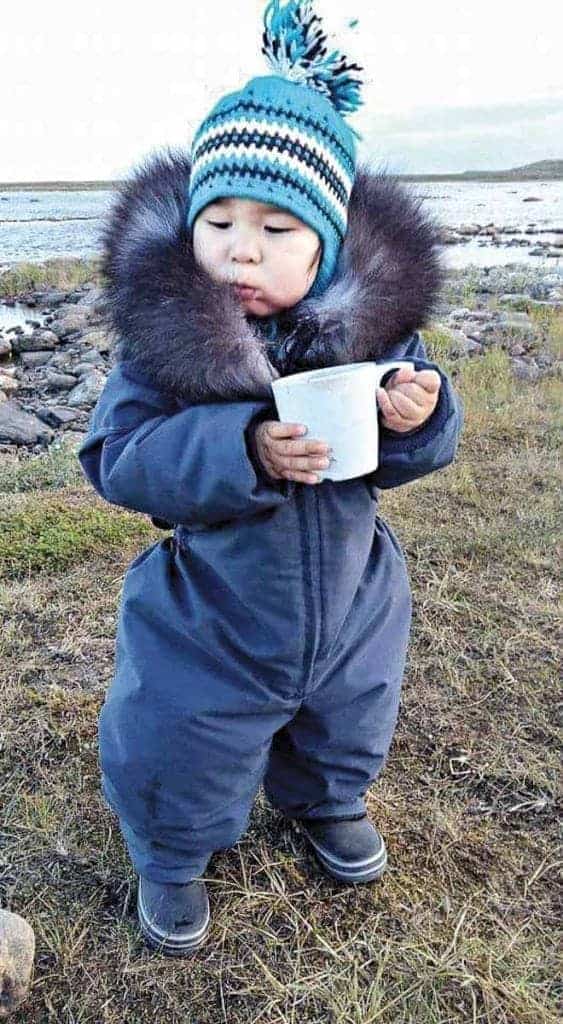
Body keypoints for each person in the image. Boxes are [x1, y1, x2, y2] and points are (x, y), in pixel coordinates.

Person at [78, 0, 464, 957]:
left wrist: (419, 414)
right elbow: (117, 459)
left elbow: (411, 454)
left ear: (326, 246)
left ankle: (326, 800)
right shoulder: (167, 348)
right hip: (212, 608)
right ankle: (169, 853)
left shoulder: (377, 341)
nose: (240, 247)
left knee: (350, 710)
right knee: (181, 734)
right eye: (219, 219)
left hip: (352, 589)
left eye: (276, 228)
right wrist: (241, 448)